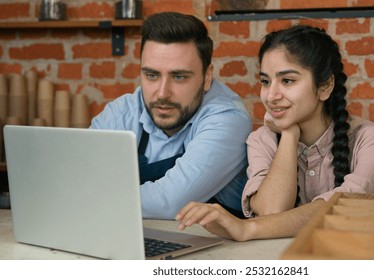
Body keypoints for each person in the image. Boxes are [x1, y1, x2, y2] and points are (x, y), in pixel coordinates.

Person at [176, 25, 374, 241]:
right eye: (265, 81)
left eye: (287, 81)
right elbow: (270, 211)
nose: (271, 95)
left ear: (325, 87)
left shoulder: (373, 140)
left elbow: (344, 206)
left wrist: (247, 229)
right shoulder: (261, 140)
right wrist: (290, 135)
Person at [90, 12, 252, 219]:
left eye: (179, 77)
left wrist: (92, 197)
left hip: (214, 246)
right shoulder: (122, 113)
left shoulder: (228, 119)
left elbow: (169, 202)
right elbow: (81, 177)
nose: (162, 93)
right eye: (151, 75)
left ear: (207, 76)